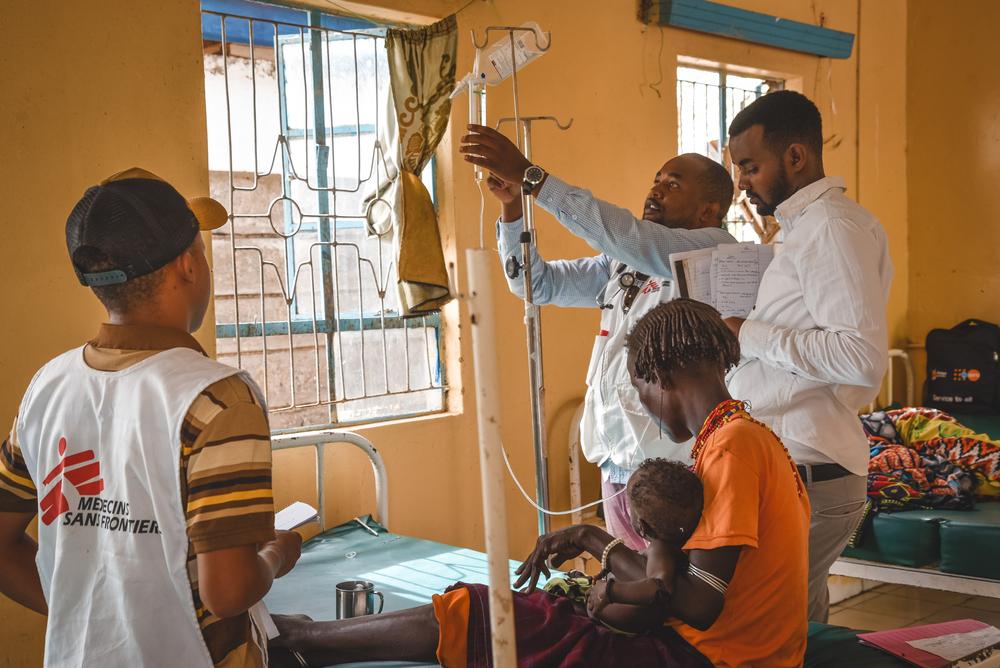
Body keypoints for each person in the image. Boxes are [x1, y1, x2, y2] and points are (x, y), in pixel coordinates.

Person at [267, 299, 810, 668]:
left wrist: (599, 550)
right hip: (724, 649)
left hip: (713, 657)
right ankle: (313, 637)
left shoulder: (733, 447)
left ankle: (307, 644)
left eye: (638, 387)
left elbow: (696, 605)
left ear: (660, 376)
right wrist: (592, 544)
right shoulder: (740, 436)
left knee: (494, 613)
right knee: (531, 606)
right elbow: (682, 582)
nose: (640, 402)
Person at [0, 168, 302, 667]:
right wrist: (276, 555)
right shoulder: (218, 400)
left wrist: (86, 616)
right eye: (203, 251)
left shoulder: (46, 388)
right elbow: (227, 593)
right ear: (188, 265)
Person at [463, 124, 736, 548]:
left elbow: (629, 235)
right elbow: (537, 285)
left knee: (666, 591)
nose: (656, 190)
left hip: (675, 470)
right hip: (617, 462)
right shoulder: (622, 263)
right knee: (629, 583)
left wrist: (532, 176)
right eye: (656, 181)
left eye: (673, 184)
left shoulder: (713, 252)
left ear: (707, 211)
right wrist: (514, 208)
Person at [724, 90, 893, 622]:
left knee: (772, 622)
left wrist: (748, 334)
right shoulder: (805, 229)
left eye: (750, 167)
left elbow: (860, 356)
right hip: (793, 463)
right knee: (798, 622)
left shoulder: (830, 228)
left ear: (795, 157)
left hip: (810, 468)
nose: (743, 184)